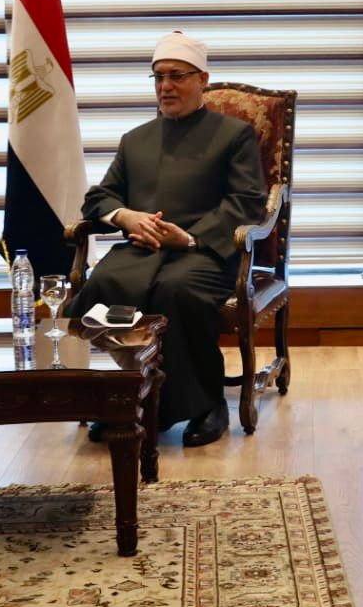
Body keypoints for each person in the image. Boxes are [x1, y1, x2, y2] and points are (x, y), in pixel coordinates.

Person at [65, 30, 267, 448]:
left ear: (202, 80)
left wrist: (189, 238)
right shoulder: (135, 140)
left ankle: (206, 404)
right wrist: (126, 216)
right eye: (158, 77)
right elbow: (99, 197)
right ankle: (136, 397)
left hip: (205, 253)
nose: (166, 86)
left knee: (177, 291)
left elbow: (247, 202)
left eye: (177, 76)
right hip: (142, 252)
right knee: (105, 285)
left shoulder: (234, 135)